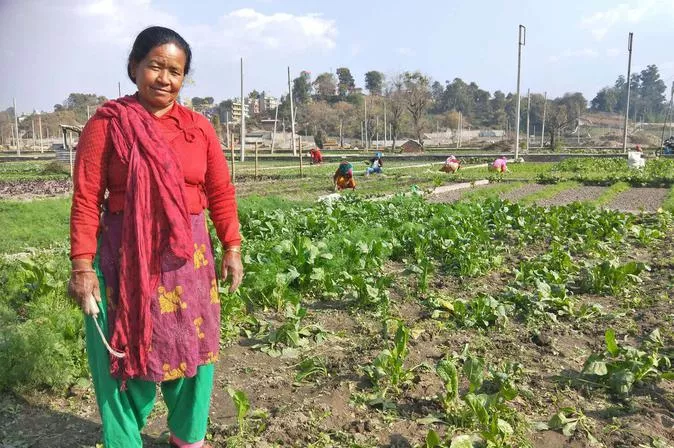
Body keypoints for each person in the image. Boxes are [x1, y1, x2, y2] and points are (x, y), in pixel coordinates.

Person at [68, 26, 243, 448]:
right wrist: (81, 266)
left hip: (190, 261)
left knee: (194, 350)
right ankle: (125, 439)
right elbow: (87, 198)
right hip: (127, 260)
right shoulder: (108, 124)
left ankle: (187, 436)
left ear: (184, 78)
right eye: (156, 66)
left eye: (176, 71)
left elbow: (220, 191)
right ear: (135, 67)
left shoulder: (198, 128)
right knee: (124, 353)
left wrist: (232, 247)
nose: (165, 78)